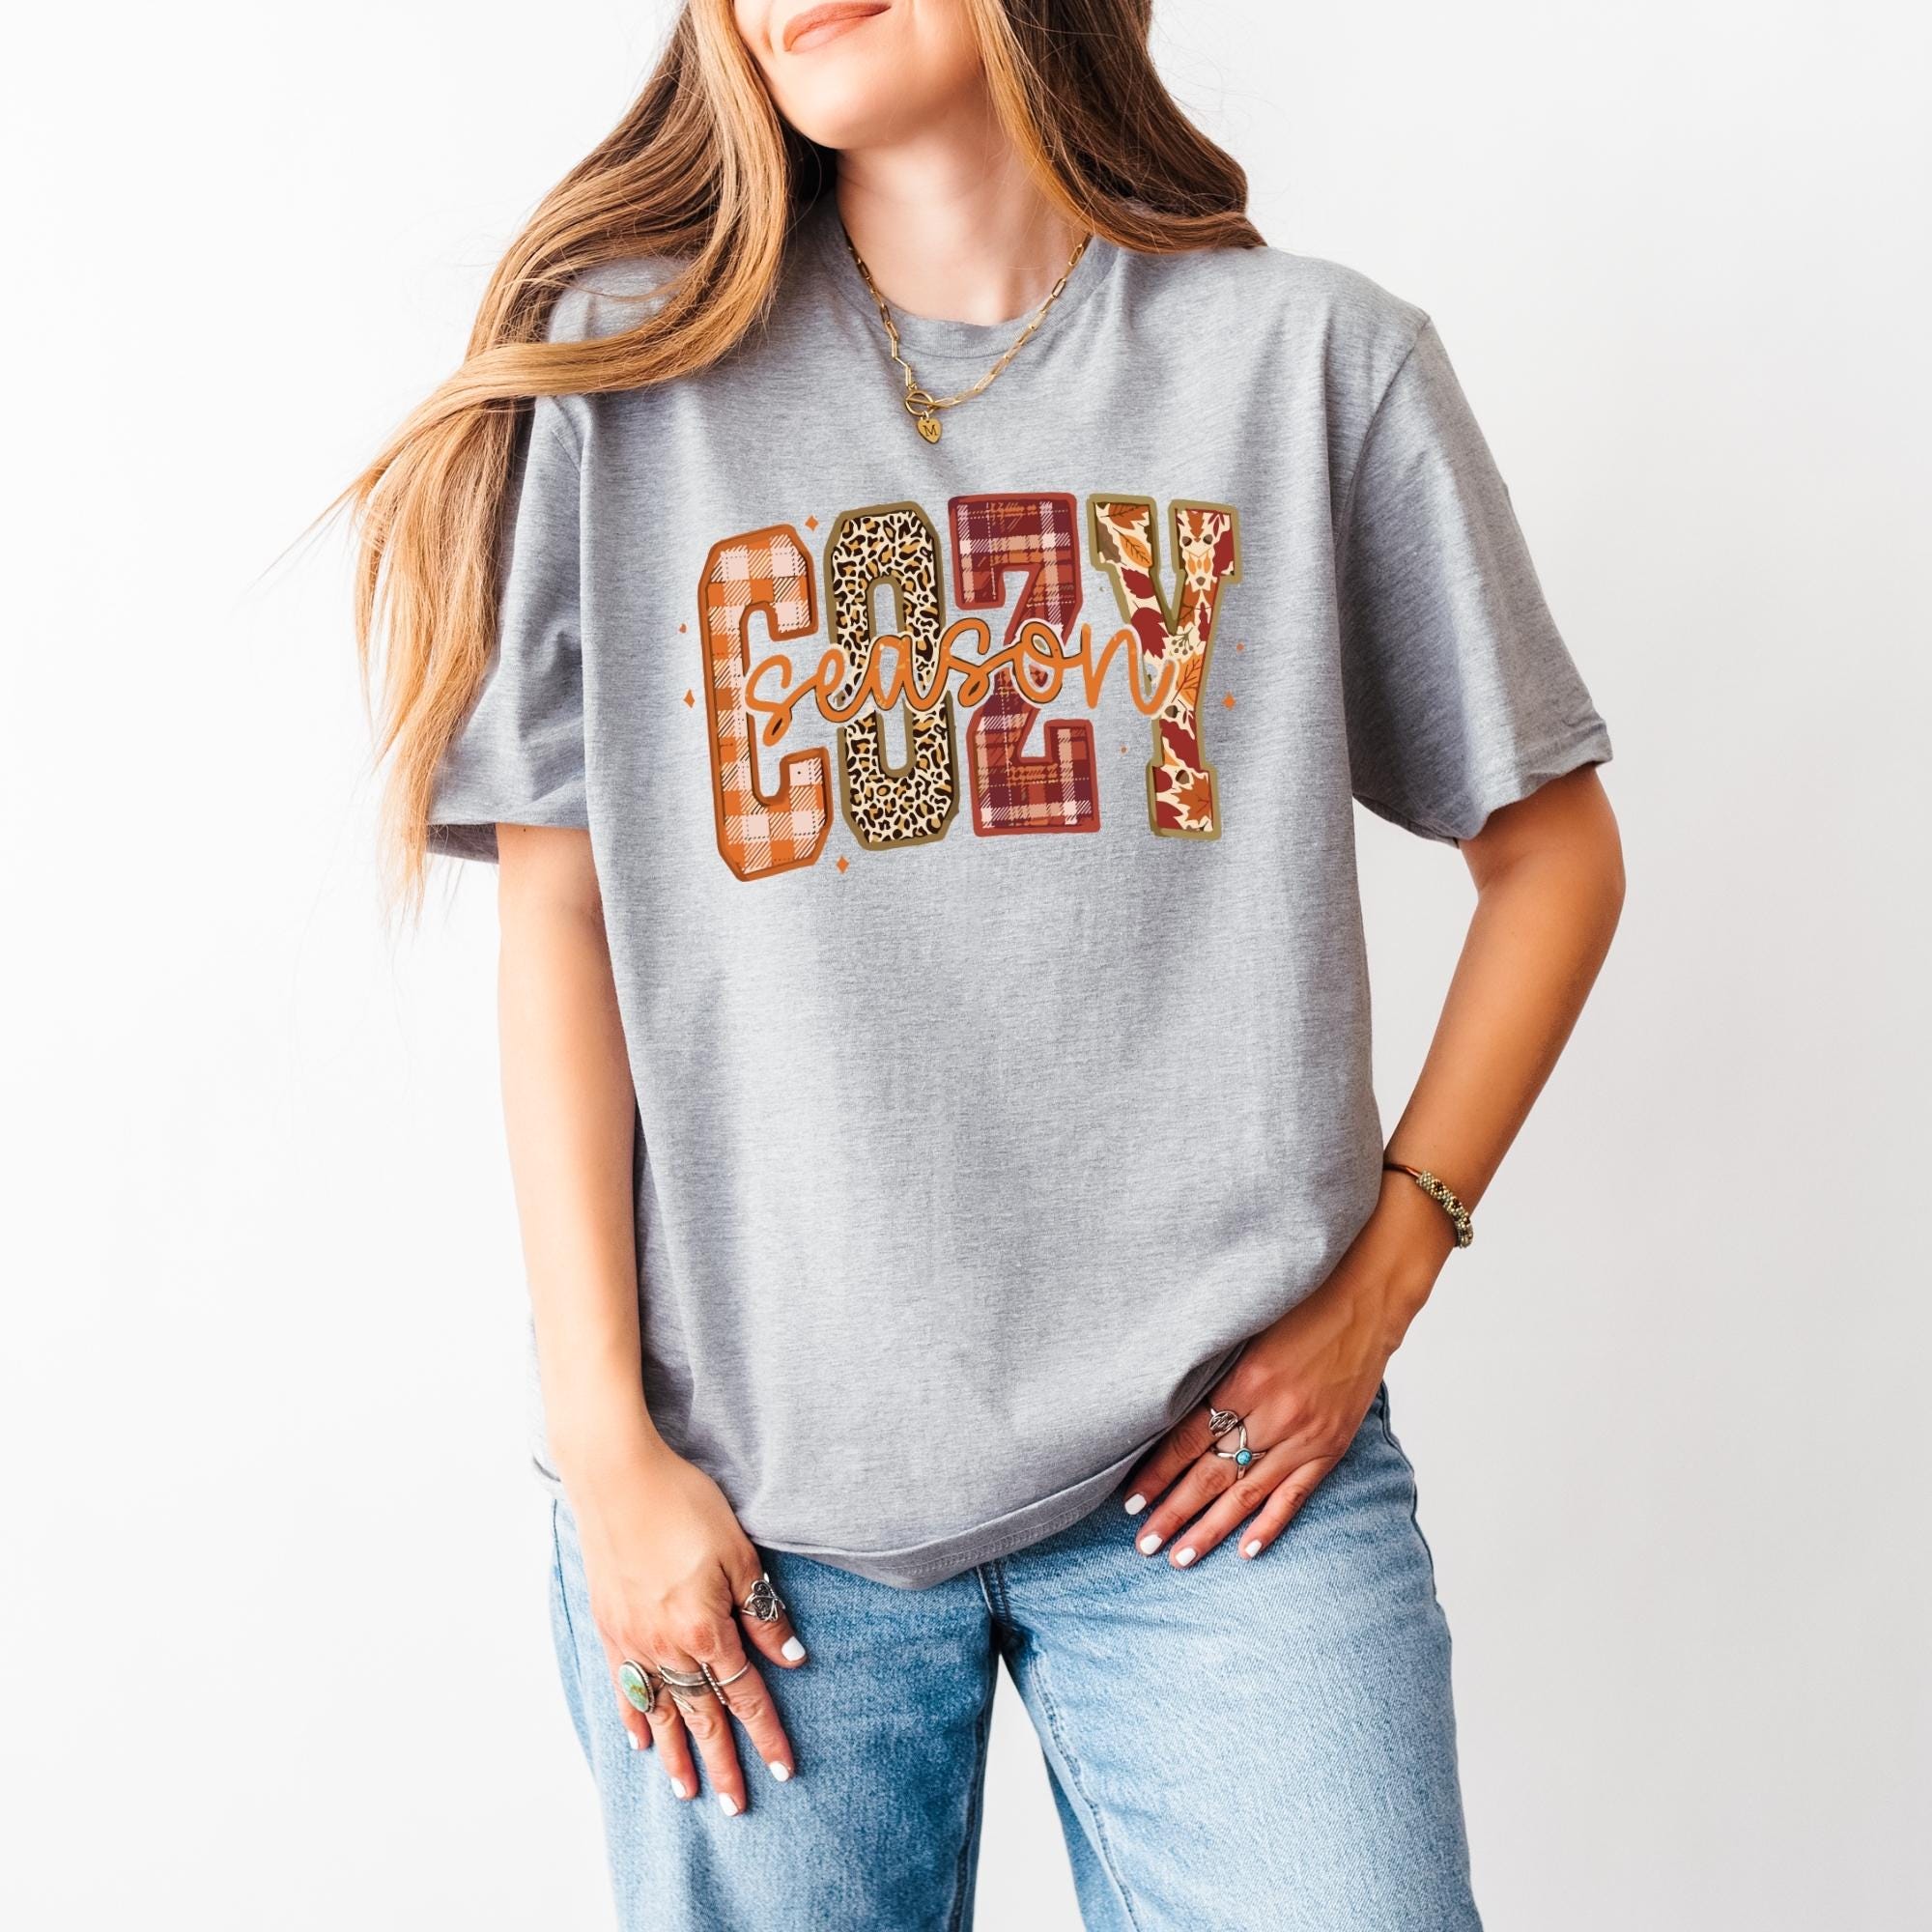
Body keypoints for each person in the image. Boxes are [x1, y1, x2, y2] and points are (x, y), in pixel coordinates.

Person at [339, 2, 1625, 1924]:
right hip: (753, 1517)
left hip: (1227, 1489)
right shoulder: (624, 384)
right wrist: (604, 1450)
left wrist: (1383, 1278)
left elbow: (1553, 857)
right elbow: (562, 915)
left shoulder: (1308, 364)